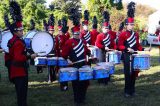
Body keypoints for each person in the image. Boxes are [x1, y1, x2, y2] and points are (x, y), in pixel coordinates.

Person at [118, 2, 151, 97]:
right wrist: (127, 48)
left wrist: (145, 49)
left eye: (132, 24)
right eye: (130, 24)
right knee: (128, 74)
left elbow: (137, 46)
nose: (132, 26)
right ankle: (127, 91)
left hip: (135, 55)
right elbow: (119, 46)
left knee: (134, 74)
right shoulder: (123, 34)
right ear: (126, 25)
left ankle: (132, 90)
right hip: (127, 56)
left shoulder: (136, 34)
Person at [7, 1, 37, 106]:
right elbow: (19, 58)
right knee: (22, 93)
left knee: (20, 92)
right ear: (15, 31)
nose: (22, 32)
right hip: (19, 71)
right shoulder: (18, 42)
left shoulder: (12, 40)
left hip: (15, 70)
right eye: (20, 30)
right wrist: (30, 56)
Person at [61, 8, 91, 104]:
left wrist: (90, 54)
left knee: (84, 82)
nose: (78, 35)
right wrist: (67, 59)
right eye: (76, 34)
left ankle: (82, 98)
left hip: (83, 64)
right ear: (73, 33)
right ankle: (77, 100)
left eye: (79, 33)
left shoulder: (83, 41)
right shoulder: (69, 42)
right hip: (74, 65)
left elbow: (86, 51)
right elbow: (63, 54)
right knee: (76, 83)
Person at [95, 11, 117, 85]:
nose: (106, 29)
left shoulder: (110, 36)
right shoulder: (99, 36)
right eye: (105, 28)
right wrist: (104, 47)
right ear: (102, 28)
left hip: (108, 52)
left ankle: (107, 79)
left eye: (107, 28)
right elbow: (97, 44)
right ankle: (100, 80)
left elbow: (113, 44)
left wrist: (114, 49)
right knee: (101, 65)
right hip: (101, 52)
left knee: (108, 65)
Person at [55, 18, 70, 91]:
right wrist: (57, 56)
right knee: (61, 70)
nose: (60, 32)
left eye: (61, 30)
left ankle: (65, 85)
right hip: (60, 56)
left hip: (65, 55)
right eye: (60, 30)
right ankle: (62, 86)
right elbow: (56, 48)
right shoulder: (57, 37)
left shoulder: (67, 36)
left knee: (65, 70)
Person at [47, 14, 57, 83]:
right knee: (49, 66)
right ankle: (50, 78)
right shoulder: (47, 37)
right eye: (50, 30)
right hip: (49, 53)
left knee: (53, 66)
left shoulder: (54, 37)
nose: (52, 31)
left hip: (54, 52)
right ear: (48, 30)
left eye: (52, 30)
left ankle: (54, 77)